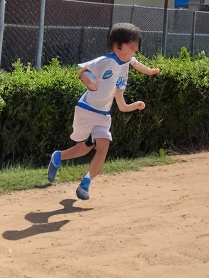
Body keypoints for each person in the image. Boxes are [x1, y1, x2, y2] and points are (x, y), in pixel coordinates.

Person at [47, 22, 160, 199]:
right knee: (84, 148)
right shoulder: (105, 61)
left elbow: (121, 104)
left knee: (103, 145)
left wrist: (135, 105)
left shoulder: (126, 66)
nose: (135, 52)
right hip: (86, 109)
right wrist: (89, 82)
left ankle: (86, 183)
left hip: (103, 114)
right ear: (118, 46)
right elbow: (82, 71)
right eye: (133, 48)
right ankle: (58, 157)